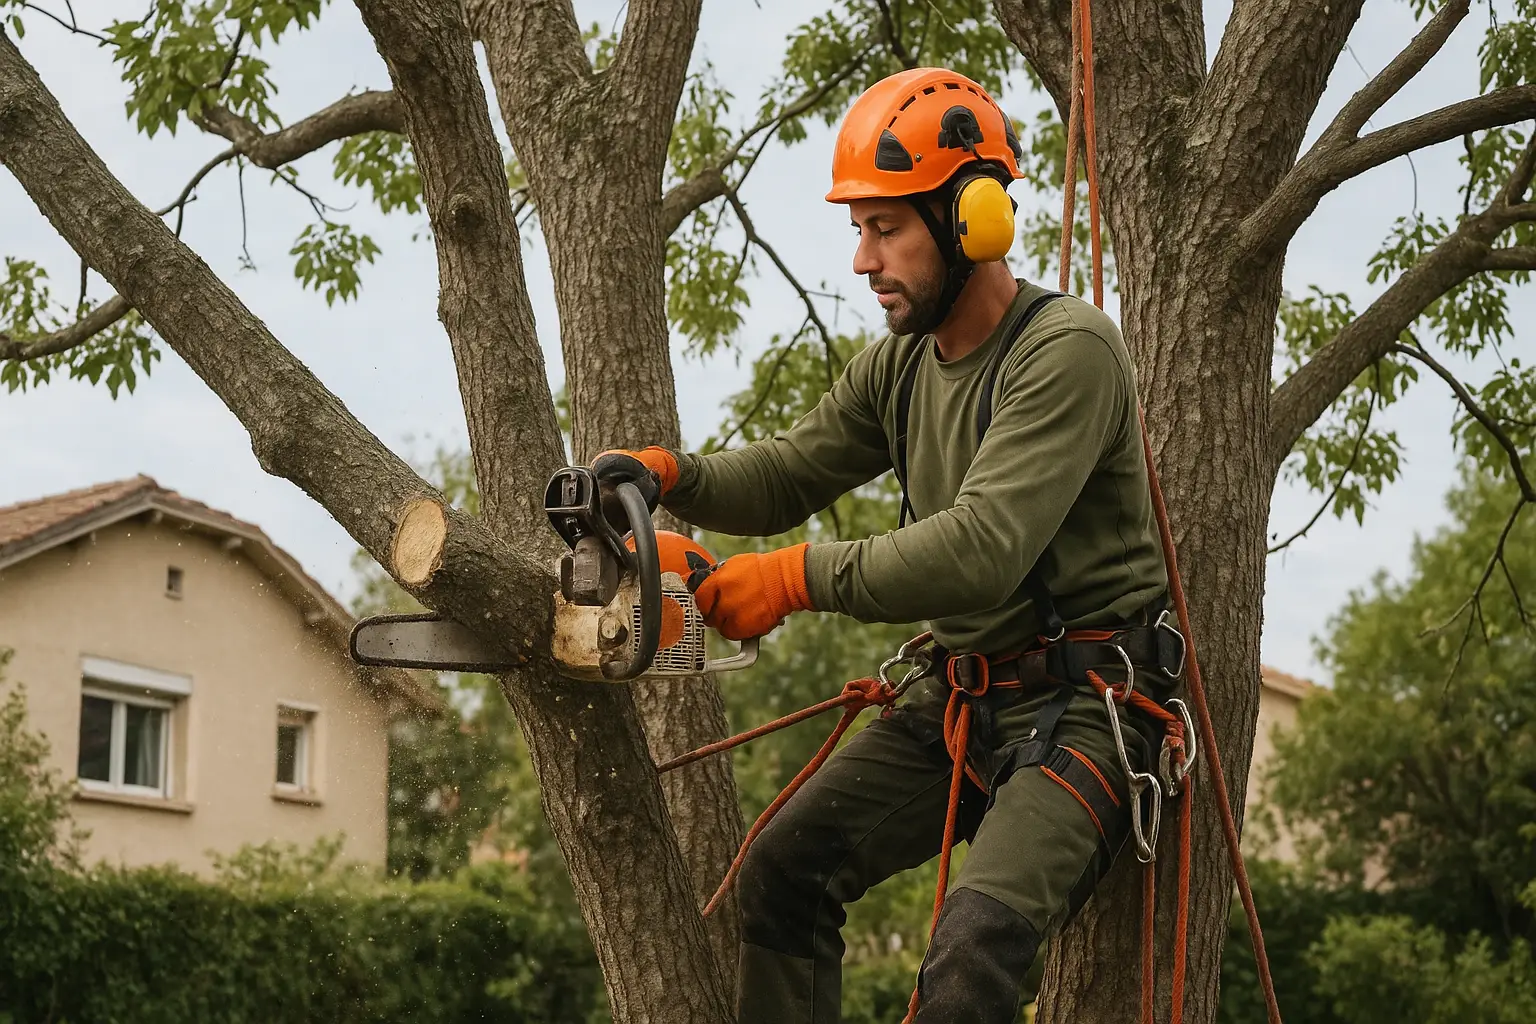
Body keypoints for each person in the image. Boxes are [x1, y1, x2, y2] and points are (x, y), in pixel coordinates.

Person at [593, 66, 1184, 1024]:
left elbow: (983, 548)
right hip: (963, 699)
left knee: (970, 955)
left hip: (1085, 710)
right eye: (857, 231)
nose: (864, 261)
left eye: (886, 228)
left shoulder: (1065, 351)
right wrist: (674, 474)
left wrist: (791, 578)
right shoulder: (903, 362)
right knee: (784, 868)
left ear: (972, 217)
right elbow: (793, 471)